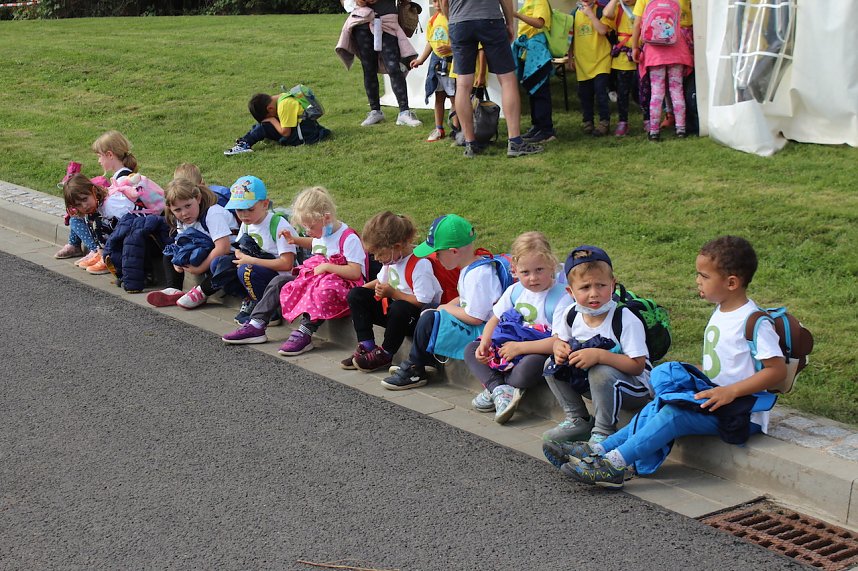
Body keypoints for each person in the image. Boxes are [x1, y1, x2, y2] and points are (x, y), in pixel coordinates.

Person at [546, 236, 787, 489]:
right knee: (658, 405)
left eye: (704, 276)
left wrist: (730, 391)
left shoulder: (753, 321)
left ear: (731, 283)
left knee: (673, 415)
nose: (697, 280)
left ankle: (614, 465)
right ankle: (597, 450)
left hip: (741, 412)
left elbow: (777, 371)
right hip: (714, 398)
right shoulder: (722, 311)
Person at [223, 186, 367, 357]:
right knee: (279, 282)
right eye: (305, 227)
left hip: (338, 286)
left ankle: (305, 332)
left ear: (326, 218)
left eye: (310, 227)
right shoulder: (322, 232)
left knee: (321, 289)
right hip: (317, 278)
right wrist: (295, 240)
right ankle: (257, 324)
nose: (308, 232)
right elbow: (315, 243)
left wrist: (328, 267)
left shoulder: (348, 238)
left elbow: (355, 273)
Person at [542, 245, 651, 444]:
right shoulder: (571, 314)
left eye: (601, 285)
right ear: (570, 291)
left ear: (613, 285)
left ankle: (603, 431)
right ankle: (578, 419)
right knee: (552, 363)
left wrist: (600, 356)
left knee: (600, 371)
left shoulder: (625, 318)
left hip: (633, 388)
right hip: (593, 383)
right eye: (585, 287)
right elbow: (560, 341)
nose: (594, 293)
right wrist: (559, 348)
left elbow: (638, 366)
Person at [382, 214, 504, 390]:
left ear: (453, 251)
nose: (436, 258)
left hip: (483, 334)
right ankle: (424, 359)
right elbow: (464, 299)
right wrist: (444, 307)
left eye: (438, 253)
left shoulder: (478, 276)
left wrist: (444, 308)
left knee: (430, 317)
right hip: (479, 325)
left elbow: (475, 317)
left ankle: (415, 368)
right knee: (429, 310)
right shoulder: (472, 267)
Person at [464, 232, 571, 424]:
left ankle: (500, 388)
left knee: (533, 365)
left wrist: (520, 348)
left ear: (552, 265)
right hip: (508, 348)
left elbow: (559, 341)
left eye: (539, 270)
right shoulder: (515, 291)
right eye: (525, 272)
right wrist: (485, 341)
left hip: (535, 350)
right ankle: (499, 389)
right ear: (515, 269)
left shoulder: (561, 297)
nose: (533, 278)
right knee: (471, 349)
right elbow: (495, 319)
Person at [440, 0, 544, 158]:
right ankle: (515, 141)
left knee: (463, 85)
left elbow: (443, 2)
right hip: (489, 19)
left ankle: (470, 143)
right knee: (508, 80)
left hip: (459, 22)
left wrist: (453, 20)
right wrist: (509, 23)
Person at [342, 211, 443, 372]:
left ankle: (386, 353)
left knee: (399, 306)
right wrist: (357, 294)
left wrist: (393, 293)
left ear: (397, 247)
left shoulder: (420, 265)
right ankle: (367, 346)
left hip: (414, 320)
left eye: (379, 253)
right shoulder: (391, 260)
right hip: (394, 314)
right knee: (356, 294)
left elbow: (423, 301)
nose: (376, 258)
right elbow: (380, 281)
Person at [145, 178, 238, 309]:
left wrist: (200, 268)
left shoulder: (213, 213)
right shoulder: (181, 219)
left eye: (188, 206)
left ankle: (202, 292)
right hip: (204, 248)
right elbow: (180, 242)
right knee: (170, 253)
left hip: (228, 253)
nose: (184, 213)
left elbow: (223, 248)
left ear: (198, 198)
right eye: (177, 210)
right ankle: (174, 289)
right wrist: (177, 262)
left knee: (221, 265)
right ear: (170, 209)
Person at [215, 176, 298, 324]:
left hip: (279, 278)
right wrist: (239, 254)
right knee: (219, 264)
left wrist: (251, 260)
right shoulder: (247, 223)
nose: (244, 214)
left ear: (265, 204)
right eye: (239, 210)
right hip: (256, 267)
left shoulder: (278, 225)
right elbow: (239, 248)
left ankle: (269, 313)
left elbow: (287, 264)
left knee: (247, 270)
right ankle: (250, 299)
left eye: (250, 209)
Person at [55, 130, 138, 266]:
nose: (99, 160)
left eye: (99, 156)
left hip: (122, 229)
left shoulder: (123, 178)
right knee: (80, 216)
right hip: (123, 226)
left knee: (86, 218)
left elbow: (121, 213)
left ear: (109, 155)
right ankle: (91, 249)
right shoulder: (121, 176)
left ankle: (100, 253)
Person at [335, 0, 422, 128]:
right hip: (361, 21)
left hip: (387, 20)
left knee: (393, 67)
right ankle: (375, 111)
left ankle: (404, 112)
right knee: (368, 68)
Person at [631, 0, 693, 140]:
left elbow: (637, 24)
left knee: (657, 92)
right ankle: (681, 129)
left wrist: (634, 47)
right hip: (676, 48)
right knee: (677, 90)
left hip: (654, 51)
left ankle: (654, 131)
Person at [61, 173, 134, 276]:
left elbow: (128, 223)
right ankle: (101, 254)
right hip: (118, 237)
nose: (84, 206)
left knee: (98, 223)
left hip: (128, 236)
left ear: (94, 191)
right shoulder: (97, 205)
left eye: (85, 199)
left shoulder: (111, 204)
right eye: (78, 205)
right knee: (89, 217)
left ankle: (107, 258)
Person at [224, 91, 331, 156]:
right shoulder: (283, 96)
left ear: (270, 108)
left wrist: (272, 120)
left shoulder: (284, 106)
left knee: (264, 127)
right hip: (308, 128)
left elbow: (286, 133)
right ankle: (246, 140)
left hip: (303, 135)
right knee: (262, 126)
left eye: (269, 115)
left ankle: (245, 145)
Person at [410, 0, 457, 142]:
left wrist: (450, 48)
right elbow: (430, 42)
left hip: (451, 65)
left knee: (455, 99)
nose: (437, 4)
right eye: (434, 1)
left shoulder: (454, 18)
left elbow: (462, 42)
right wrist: (421, 60)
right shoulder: (433, 20)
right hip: (436, 65)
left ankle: (457, 129)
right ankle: (439, 129)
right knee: (439, 97)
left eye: (440, 0)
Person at [513, 0, 556, 143]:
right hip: (529, 54)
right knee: (533, 91)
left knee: (540, 92)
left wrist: (517, 15)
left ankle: (546, 130)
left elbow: (539, 23)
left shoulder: (540, 1)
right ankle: (537, 126)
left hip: (538, 54)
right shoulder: (528, 2)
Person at [571, 0, 613, 136]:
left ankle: (604, 122)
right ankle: (587, 121)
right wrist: (571, 57)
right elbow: (571, 38)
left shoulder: (601, 10)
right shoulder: (574, 14)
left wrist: (590, 15)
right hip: (583, 61)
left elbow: (602, 30)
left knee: (601, 92)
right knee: (585, 94)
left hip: (601, 59)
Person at [602, 0, 638, 136]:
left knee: (644, 89)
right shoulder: (618, 8)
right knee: (622, 92)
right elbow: (606, 13)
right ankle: (623, 121)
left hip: (643, 53)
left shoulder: (643, 4)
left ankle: (648, 119)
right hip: (623, 56)